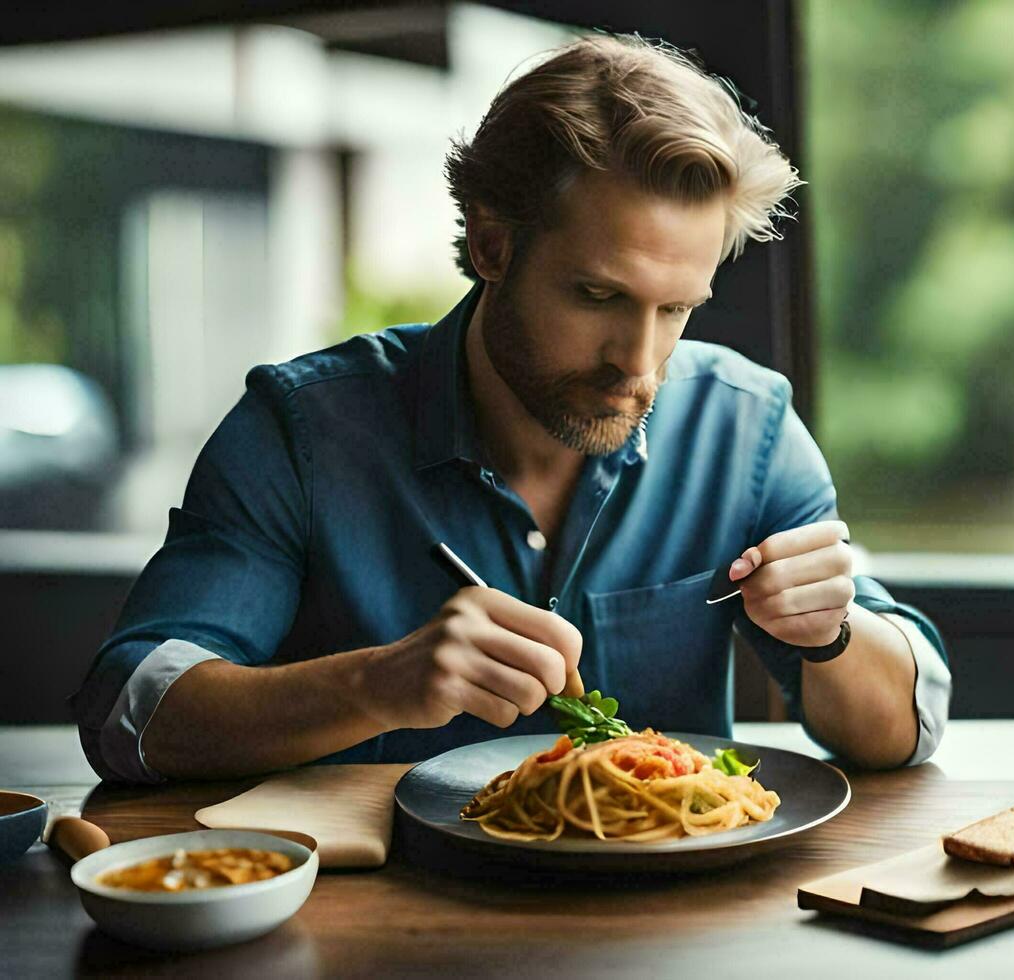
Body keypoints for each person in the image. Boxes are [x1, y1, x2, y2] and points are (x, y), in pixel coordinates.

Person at [69, 34, 950, 784]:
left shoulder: (746, 429)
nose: (638, 363)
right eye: (598, 296)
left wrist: (832, 635)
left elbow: (910, 730)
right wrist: (378, 684)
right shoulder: (299, 433)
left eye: (676, 309)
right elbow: (128, 708)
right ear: (492, 244)